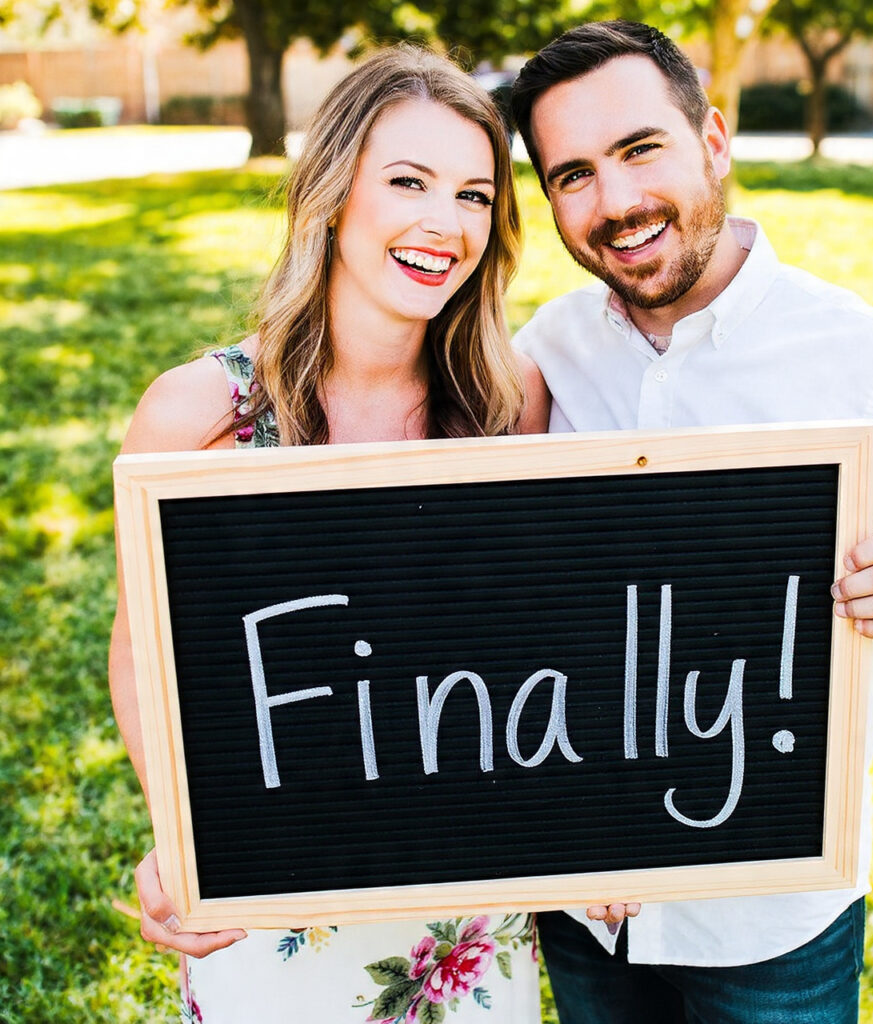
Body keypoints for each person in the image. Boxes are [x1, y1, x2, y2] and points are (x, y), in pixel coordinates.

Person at [509, 20, 873, 1024]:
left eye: (639, 149)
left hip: (770, 915)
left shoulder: (863, 355)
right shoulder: (547, 350)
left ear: (713, 140)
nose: (615, 204)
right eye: (572, 175)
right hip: (586, 899)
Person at [108, 45, 558, 1024]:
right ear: (333, 192)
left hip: (463, 908)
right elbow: (143, 648)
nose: (443, 222)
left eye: (475, 195)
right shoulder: (202, 411)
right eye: (408, 182)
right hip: (276, 885)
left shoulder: (508, 403)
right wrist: (181, 831)